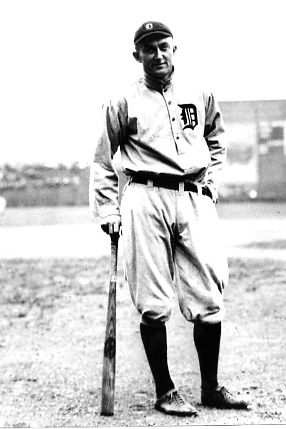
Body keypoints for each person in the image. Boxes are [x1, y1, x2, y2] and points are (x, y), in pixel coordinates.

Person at [91, 20, 249, 416]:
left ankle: (210, 388)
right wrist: (109, 209)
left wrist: (211, 182)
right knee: (153, 300)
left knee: (209, 294)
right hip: (144, 196)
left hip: (193, 196)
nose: (157, 54)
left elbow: (217, 137)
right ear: (137, 56)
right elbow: (102, 161)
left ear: (174, 49)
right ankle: (165, 390)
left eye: (163, 46)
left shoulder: (200, 92)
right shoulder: (123, 101)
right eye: (148, 49)